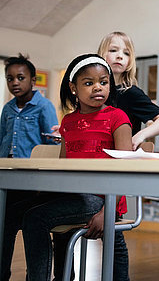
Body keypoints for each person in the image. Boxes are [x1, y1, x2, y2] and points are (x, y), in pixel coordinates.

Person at [21, 54, 134, 281]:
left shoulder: (117, 117)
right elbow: (64, 168)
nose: (97, 88)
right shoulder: (68, 122)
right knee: (22, 211)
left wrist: (107, 212)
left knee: (36, 219)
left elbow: (127, 170)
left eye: (103, 82)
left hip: (105, 199)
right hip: (74, 196)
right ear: (73, 87)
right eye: (88, 83)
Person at [0, 54, 59, 281]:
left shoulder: (44, 106)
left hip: (33, 181)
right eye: (10, 78)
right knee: (4, 230)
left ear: (33, 80)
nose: (15, 82)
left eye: (20, 77)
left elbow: (51, 142)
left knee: (32, 230)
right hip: (9, 178)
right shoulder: (7, 109)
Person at [98, 31, 159, 149]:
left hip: (121, 160)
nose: (120, 56)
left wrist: (140, 135)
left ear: (130, 61)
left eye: (126, 53)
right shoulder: (94, 91)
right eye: (113, 50)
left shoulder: (131, 93)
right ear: (101, 55)